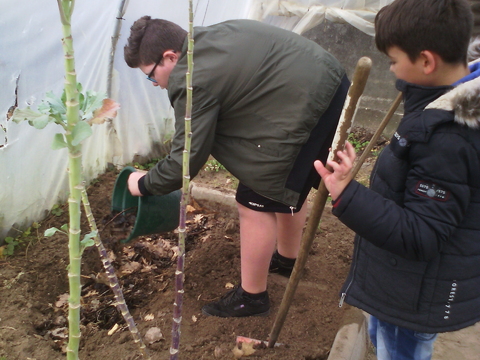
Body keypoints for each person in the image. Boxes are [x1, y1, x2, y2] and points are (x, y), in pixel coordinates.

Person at [124, 17, 349, 317]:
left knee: (253, 200)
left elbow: (186, 158)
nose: (154, 85)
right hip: (329, 84)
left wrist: (142, 183)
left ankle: (252, 298)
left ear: (170, 57)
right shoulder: (211, 37)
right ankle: (286, 260)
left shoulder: (191, 78)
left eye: (152, 76)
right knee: (290, 187)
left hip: (306, 106)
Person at [314, 0, 480, 359]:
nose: (391, 71)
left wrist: (347, 196)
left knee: (400, 351)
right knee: (382, 335)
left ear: (426, 61)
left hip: (415, 296)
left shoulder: (447, 138)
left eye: (393, 60)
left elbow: (422, 234)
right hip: (402, 285)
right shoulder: (437, 100)